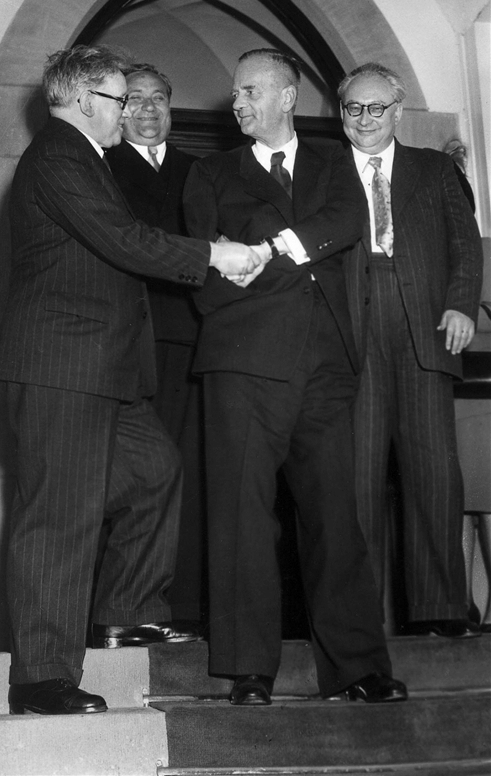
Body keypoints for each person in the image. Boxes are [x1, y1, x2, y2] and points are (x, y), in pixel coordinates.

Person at [0, 44, 263, 716]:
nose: (127, 111)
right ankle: (41, 676)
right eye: (119, 98)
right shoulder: (59, 154)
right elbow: (122, 239)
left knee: (153, 472)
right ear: (87, 99)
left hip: (102, 368)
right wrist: (214, 254)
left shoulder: (83, 156)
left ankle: (125, 612)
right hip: (63, 365)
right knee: (58, 517)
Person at [183, 48, 407, 706]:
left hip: (325, 364)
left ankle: (358, 666)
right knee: (242, 519)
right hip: (243, 361)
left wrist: (265, 249)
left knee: (336, 516)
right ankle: (248, 669)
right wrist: (283, 254)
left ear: (288, 97)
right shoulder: (210, 172)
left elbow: (347, 223)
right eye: (235, 94)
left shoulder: (335, 162)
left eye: (250, 90)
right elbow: (203, 266)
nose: (238, 103)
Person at [338, 62, 484, 638]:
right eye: (354, 108)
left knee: (434, 476)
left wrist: (461, 305)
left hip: (426, 325)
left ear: (398, 112)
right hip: (354, 333)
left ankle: (441, 611)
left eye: (377, 107)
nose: (365, 118)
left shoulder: (434, 169)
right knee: (356, 480)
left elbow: (465, 246)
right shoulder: (323, 171)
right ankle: (359, 620)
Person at [106, 64, 205, 625]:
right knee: (142, 478)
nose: (148, 109)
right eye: (136, 99)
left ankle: (182, 609)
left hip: (193, 338)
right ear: (119, 110)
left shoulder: (200, 170)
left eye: (158, 98)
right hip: (131, 343)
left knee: (189, 472)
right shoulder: (100, 167)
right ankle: (127, 607)